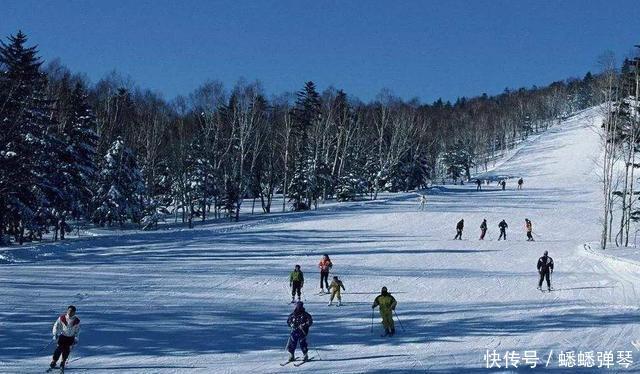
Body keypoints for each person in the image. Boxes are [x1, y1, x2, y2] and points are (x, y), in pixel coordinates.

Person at [49, 305, 80, 371]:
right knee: (59, 348)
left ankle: (63, 362)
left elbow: (77, 330)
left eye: (71, 311)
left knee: (66, 350)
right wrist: (55, 334)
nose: (70, 312)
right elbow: (56, 326)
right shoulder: (62, 318)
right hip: (63, 336)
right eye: (69, 310)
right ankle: (54, 361)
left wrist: (76, 338)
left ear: (74, 312)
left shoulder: (77, 320)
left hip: (71, 337)